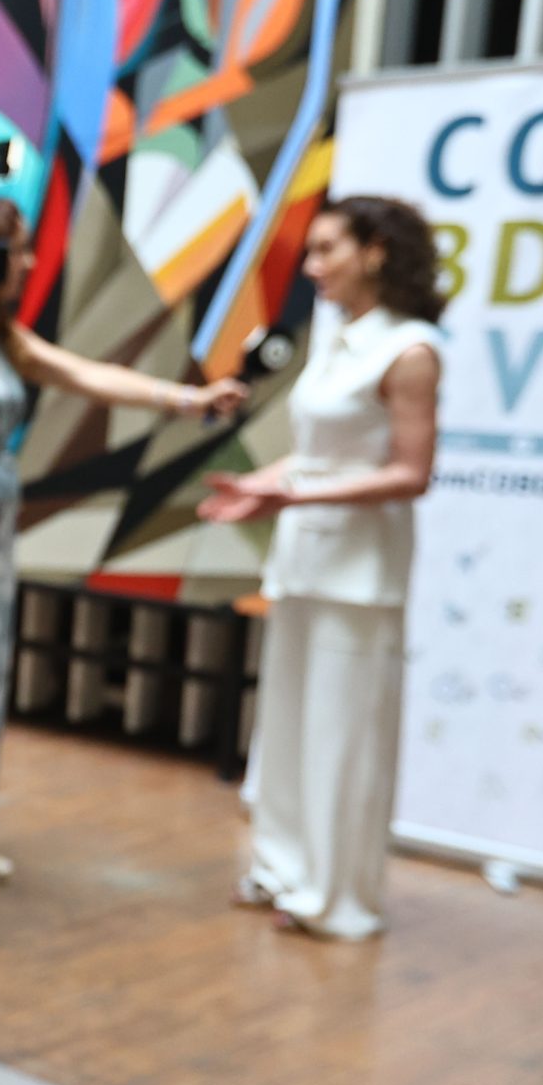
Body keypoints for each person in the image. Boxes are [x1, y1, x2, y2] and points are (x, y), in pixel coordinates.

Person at [0, 199, 248, 889]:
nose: (29, 262)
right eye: (18, 250)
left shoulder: (0, 337)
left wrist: (186, 401)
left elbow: (86, 375)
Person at [200, 195, 446, 941]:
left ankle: (336, 897)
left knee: (344, 735)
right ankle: (281, 869)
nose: (312, 267)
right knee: (287, 725)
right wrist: (259, 488)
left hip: (361, 572)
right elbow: (316, 457)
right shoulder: (336, 339)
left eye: (327, 249)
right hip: (305, 558)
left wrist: (294, 496)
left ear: (376, 251)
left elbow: (411, 473)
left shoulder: (410, 350)